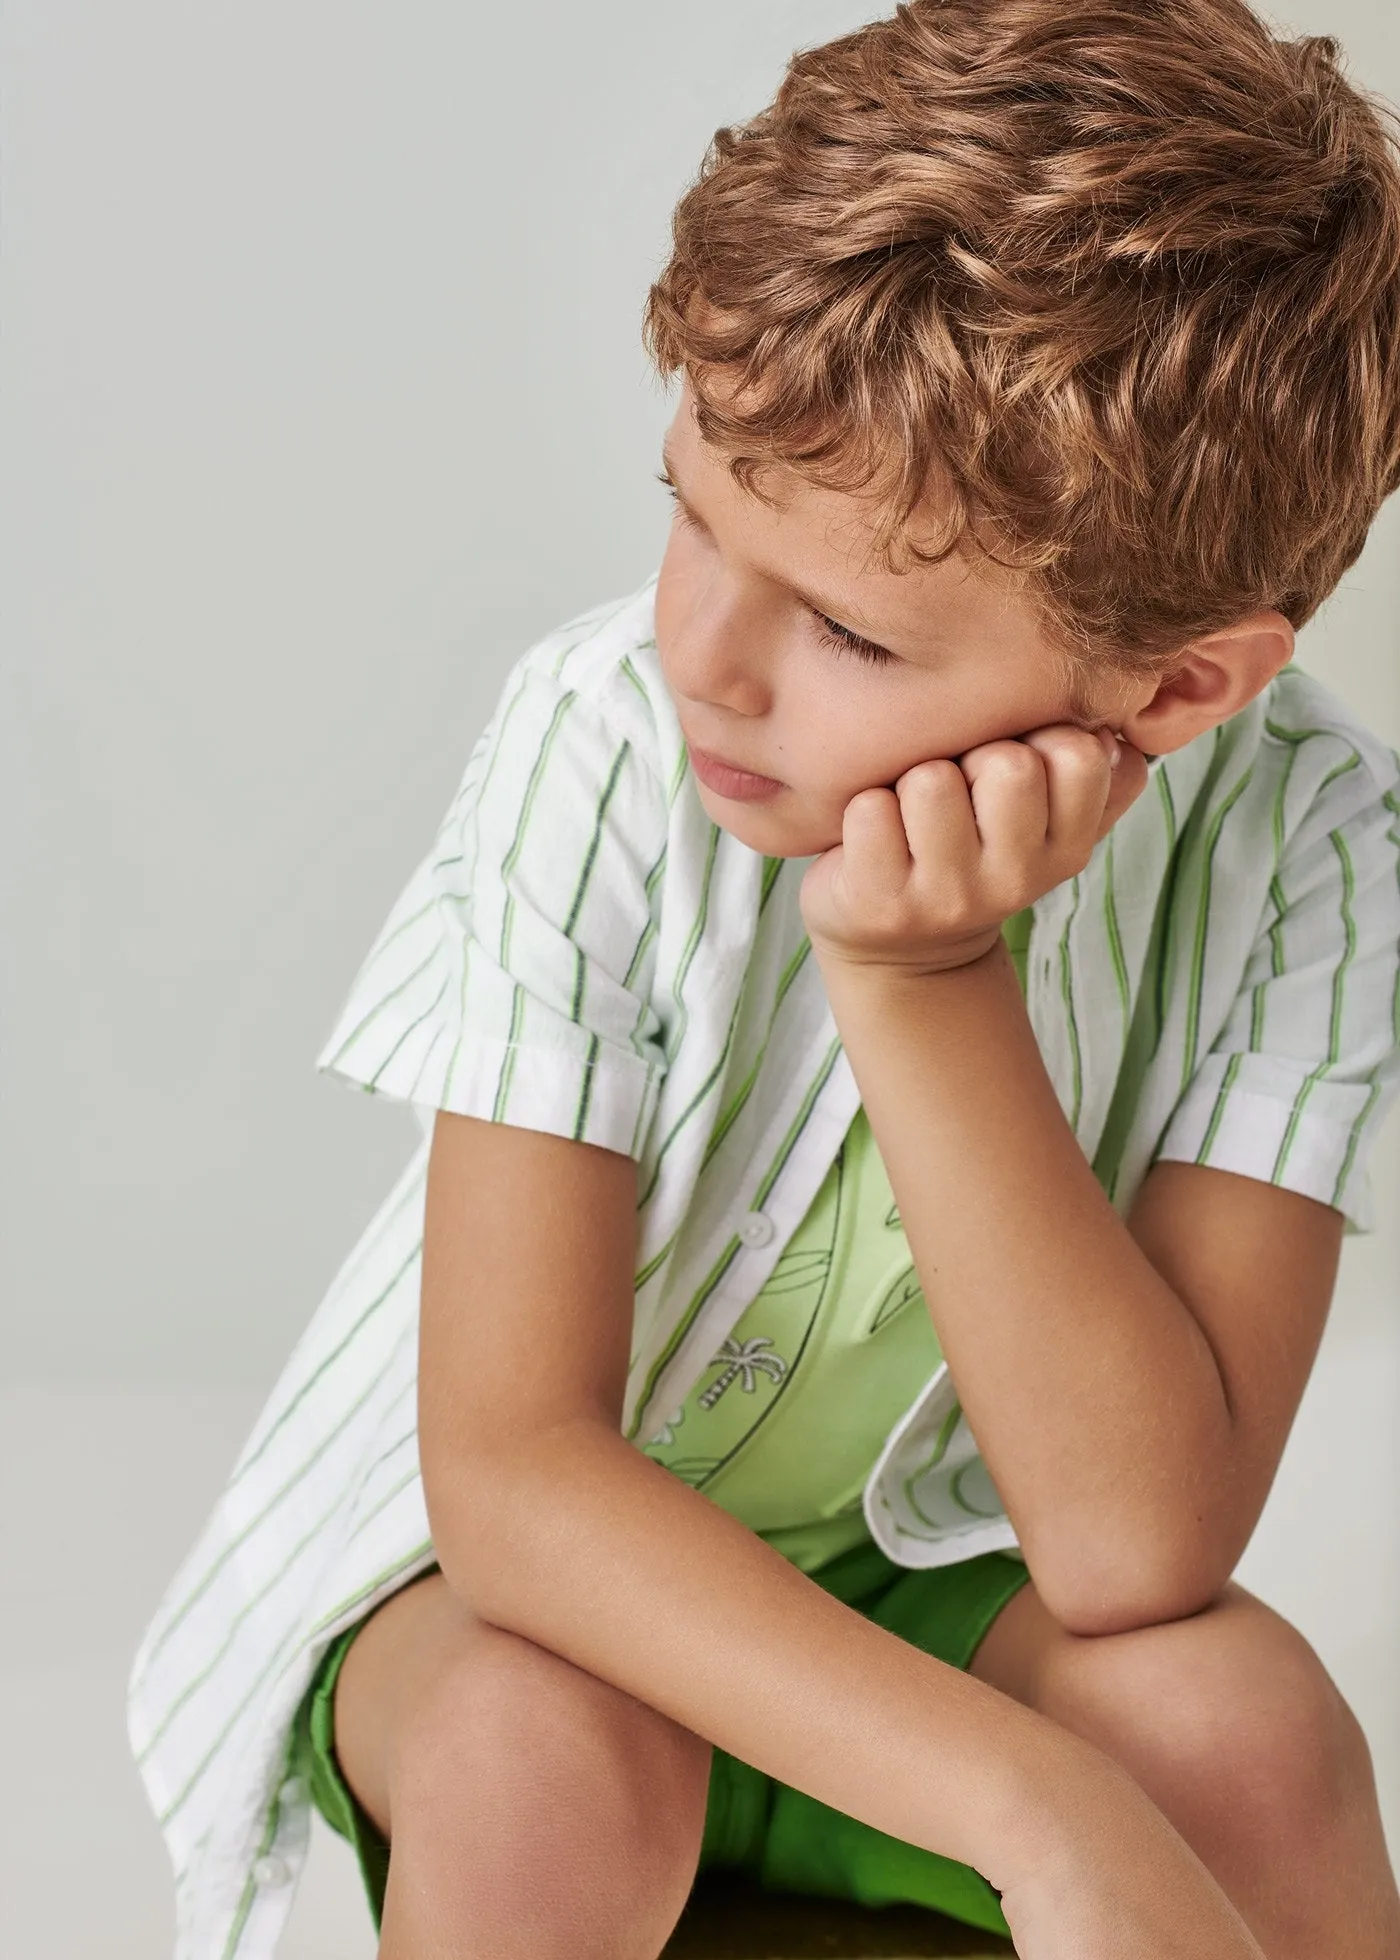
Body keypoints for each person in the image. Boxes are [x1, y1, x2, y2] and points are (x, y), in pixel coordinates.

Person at [128, 2, 1400, 1956]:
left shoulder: (1308, 841)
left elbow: (1135, 1548)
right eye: (690, 508)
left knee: (1241, 1723)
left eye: (848, 631)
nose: (704, 652)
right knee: (542, 1754)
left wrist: (927, 975)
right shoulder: (603, 739)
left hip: (916, 1592)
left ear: (1176, 686)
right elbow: (511, 1474)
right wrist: (1036, 1801)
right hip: (527, 1620)